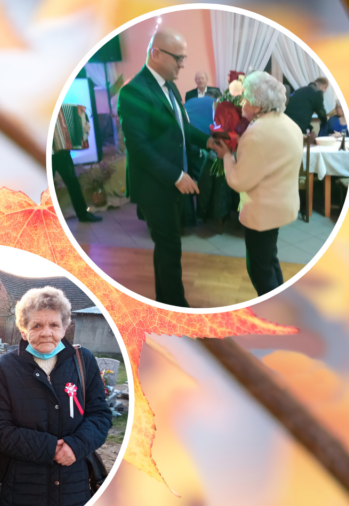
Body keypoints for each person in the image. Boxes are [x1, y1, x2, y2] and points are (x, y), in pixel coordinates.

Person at [0, 287, 111, 506]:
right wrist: (49, 449)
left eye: (54, 324)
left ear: (65, 327)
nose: (46, 332)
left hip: (73, 489)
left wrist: (76, 446)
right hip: (20, 495)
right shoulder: (5, 369)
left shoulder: (83, 361)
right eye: (36, 325)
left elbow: (100, 415)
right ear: (23, 329)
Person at [117, 28, 213, 307]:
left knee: (170, 246)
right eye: (178, 58)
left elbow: (183, 130)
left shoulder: (169, 86)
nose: (183, 65)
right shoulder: (133, 91)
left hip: (173, 181)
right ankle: (176, 306)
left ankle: (166, 300)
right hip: (154, 185)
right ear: (156, 53)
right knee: (169, 245)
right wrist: (176, 175)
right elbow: (139, 148)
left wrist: (208, 141)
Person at [210, 71, 302, 297]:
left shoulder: (257, 133)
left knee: (259, 270)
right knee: (270, 259)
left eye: (246, 98)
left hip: (263, 212)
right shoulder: (290, 124)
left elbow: (239, 181)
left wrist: (226, 156)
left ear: (259, 106)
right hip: (281, 206)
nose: (241, 103)